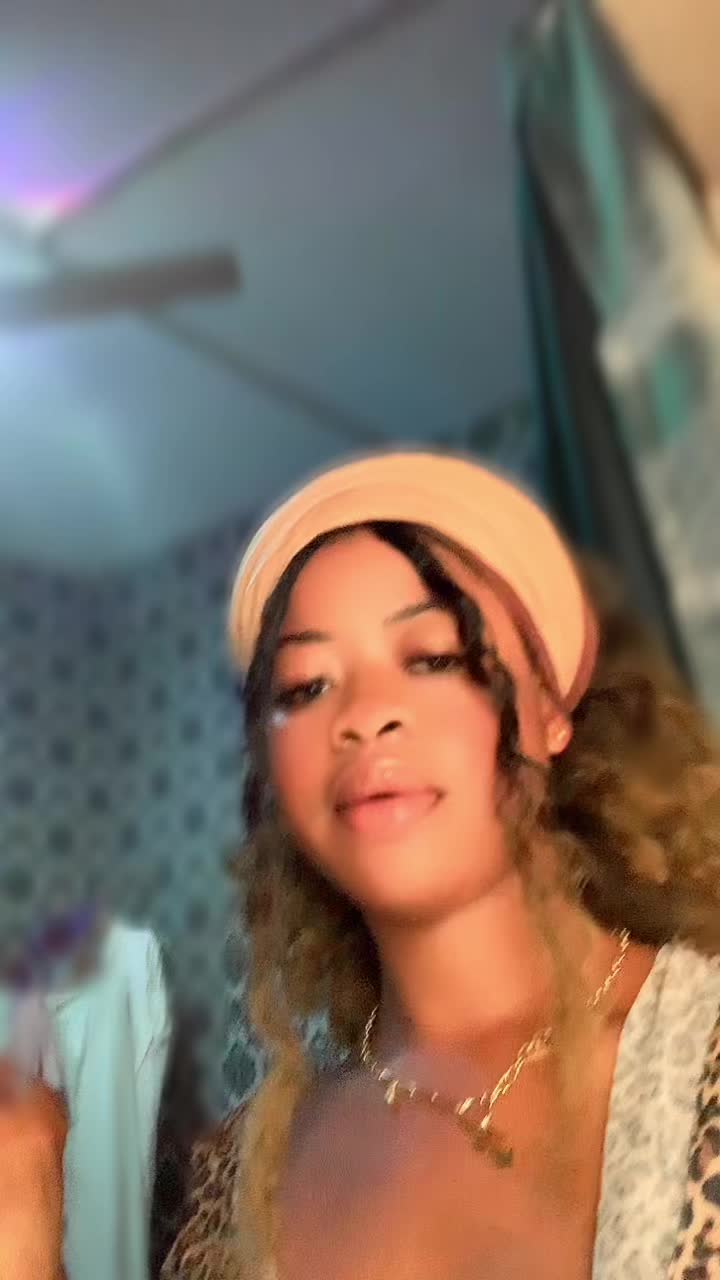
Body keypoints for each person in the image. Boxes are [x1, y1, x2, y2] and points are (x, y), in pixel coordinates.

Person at [7, 449, 720, 1279]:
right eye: (305, 685)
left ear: (552, 711)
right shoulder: (230, 1185)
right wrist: (25, 1221)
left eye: (434, 657)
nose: (365, 714)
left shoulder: (703, 1053)